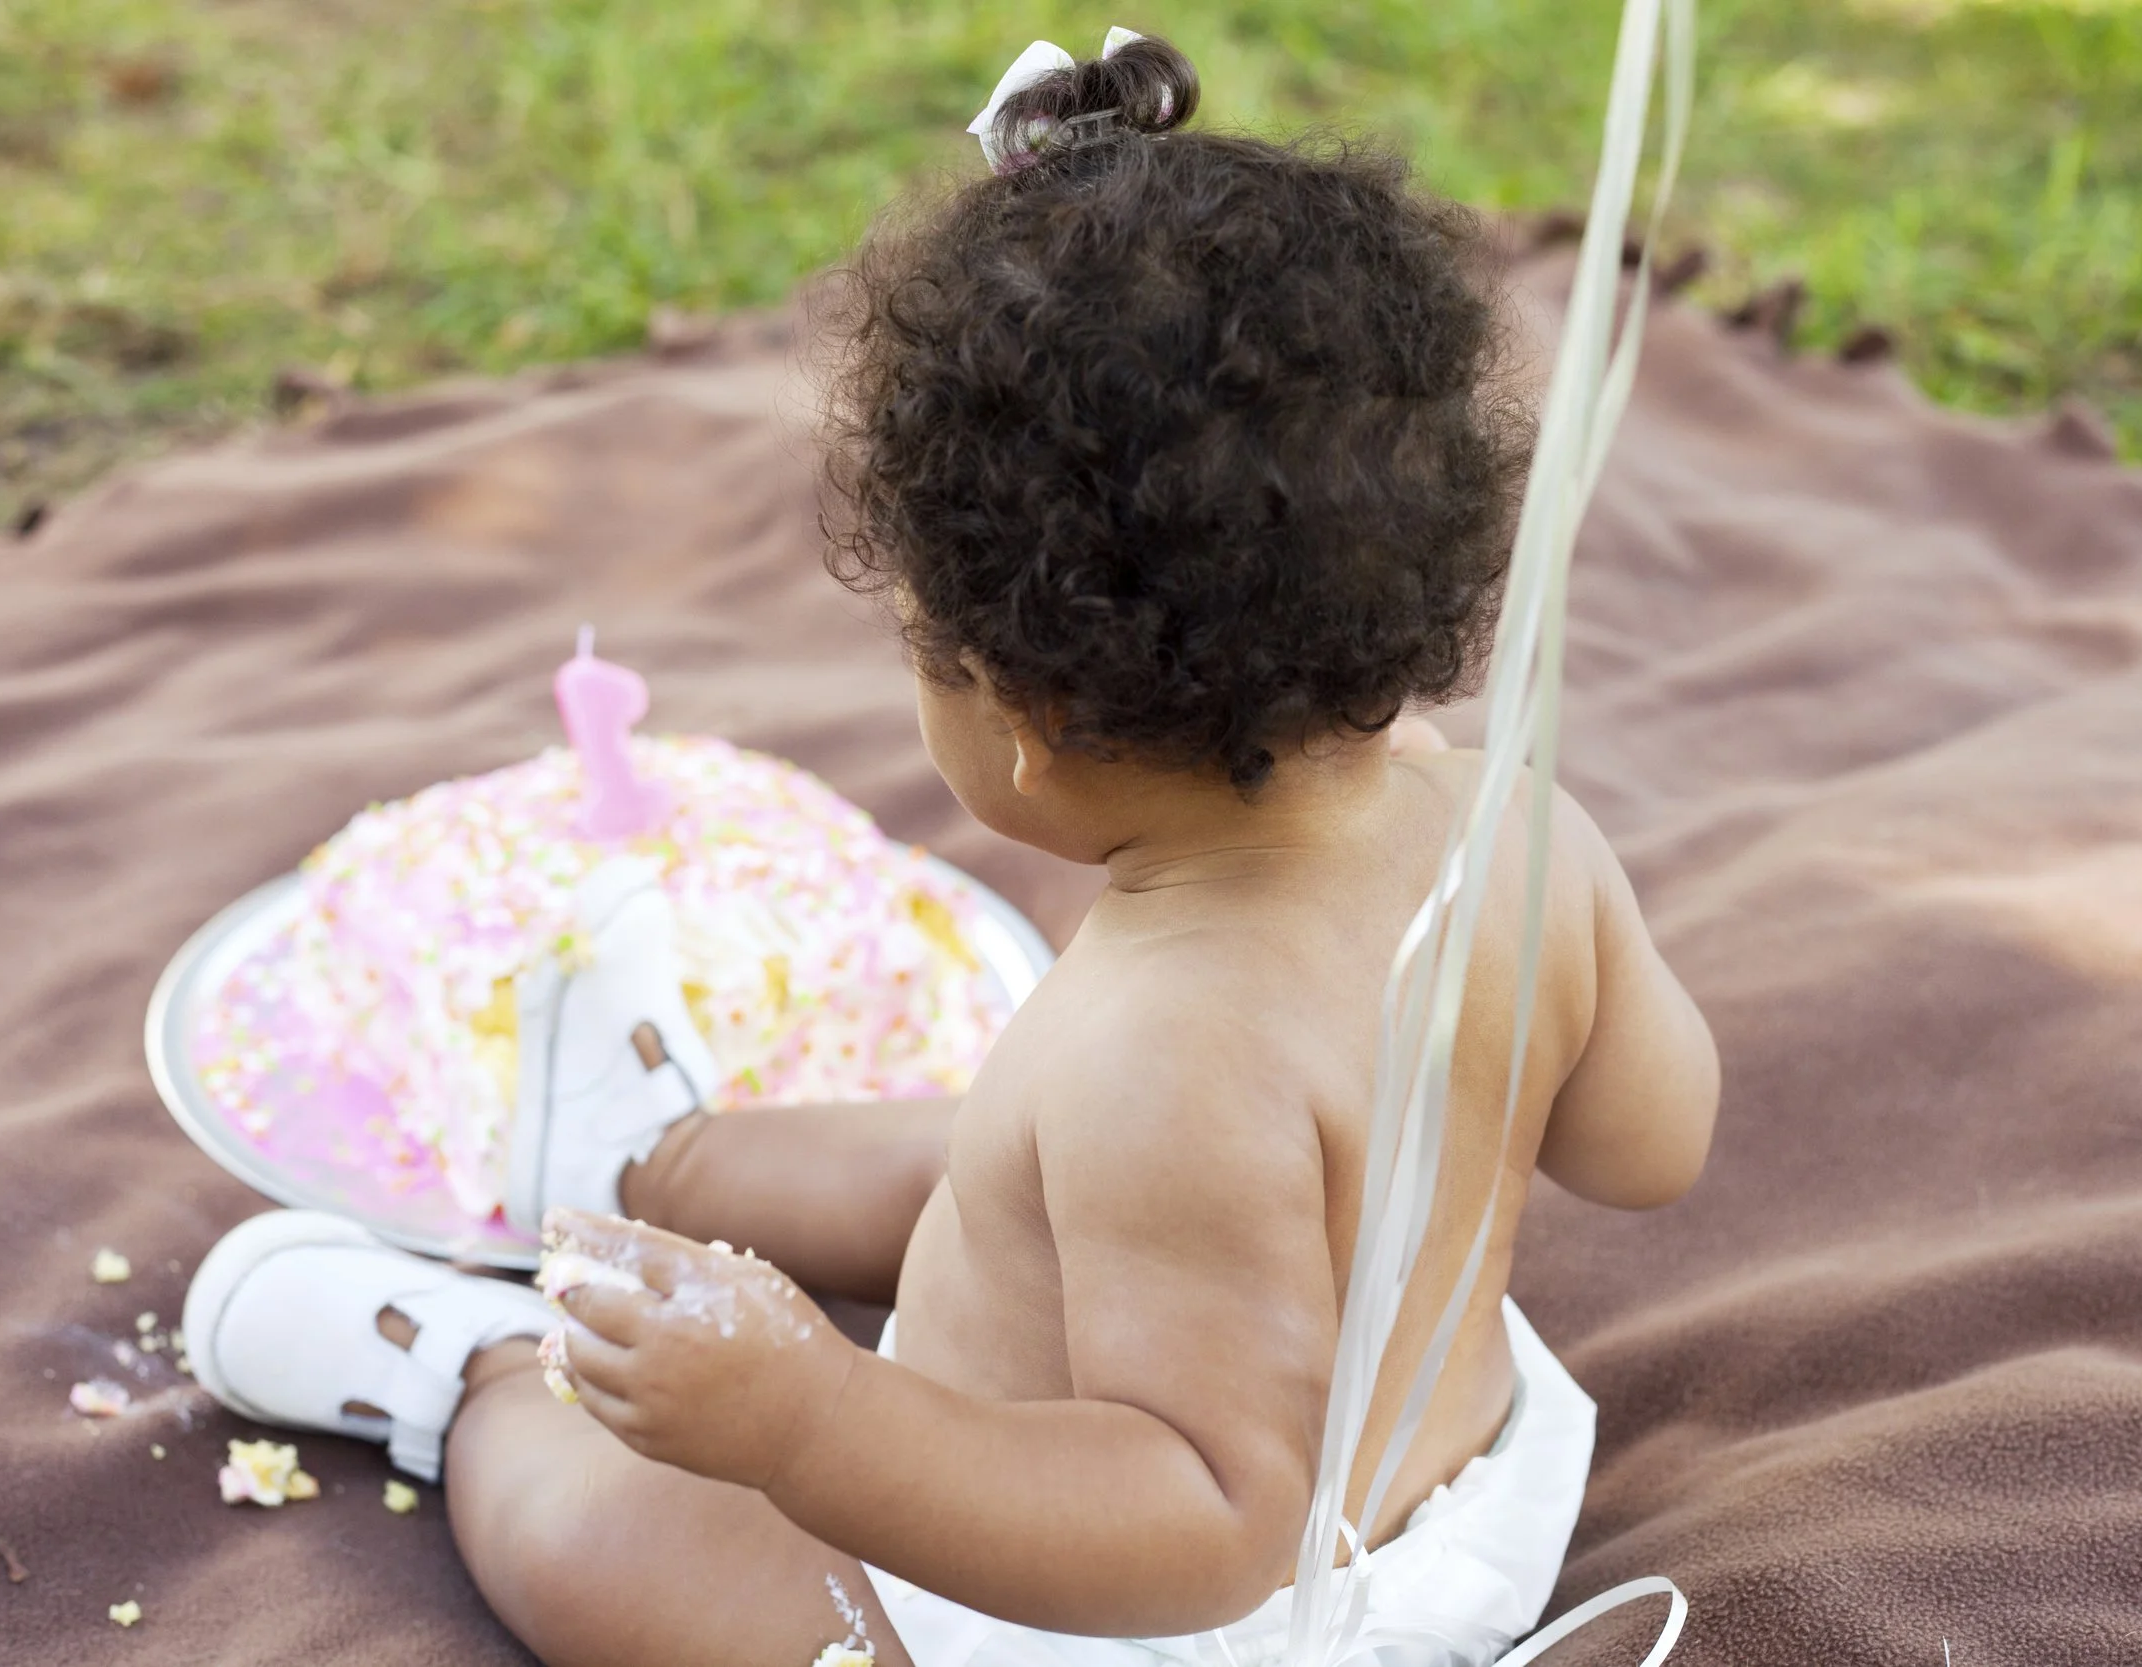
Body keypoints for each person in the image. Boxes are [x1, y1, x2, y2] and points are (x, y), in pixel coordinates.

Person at [179, 30, 1720, 1667]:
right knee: (1000, 1157)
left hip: (1157, 1608)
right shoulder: (1512, 827)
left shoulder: (1169, 1061)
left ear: (1023, 710)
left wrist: (805, 1420)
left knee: (618, 1553)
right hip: (1454, 1485)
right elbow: (1649, 1146)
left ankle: (463, 1369)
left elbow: (1209, 1519)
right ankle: (654, 1165)